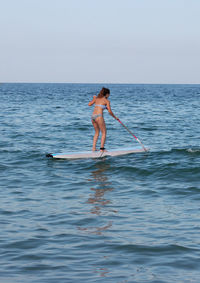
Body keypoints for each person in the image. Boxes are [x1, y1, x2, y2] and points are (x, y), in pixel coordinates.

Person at [88, 87, 118, 152]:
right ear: (107, 94)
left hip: (93, 117)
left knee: (96, 132)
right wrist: (115, 117)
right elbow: (110, 112)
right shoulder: (107, 101)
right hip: (99, 117)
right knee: (104, 132)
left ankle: (93, 148)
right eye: (109, 94)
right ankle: (102, 149)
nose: (109, 96)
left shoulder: (96, 98)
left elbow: (89, 104)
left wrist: (93, 98)